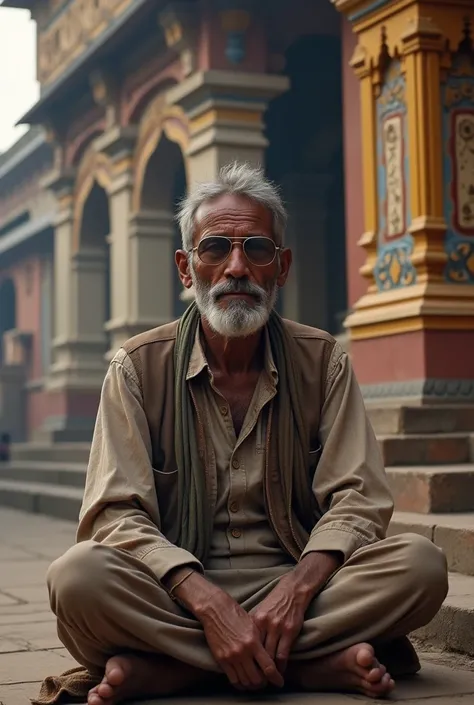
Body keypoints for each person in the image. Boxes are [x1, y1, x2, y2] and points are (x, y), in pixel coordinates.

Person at [35, 163, 448, 705]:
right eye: (214, 250)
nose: (236, 268)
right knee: (77, 578)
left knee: (421, 566)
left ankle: (177, 671)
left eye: (256, 249)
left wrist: (296, 592)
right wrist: (206, 603)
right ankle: (304, 666)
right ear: (186, 268)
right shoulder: (137, 367)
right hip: (176, 592)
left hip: (302, 584)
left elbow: (359, 500)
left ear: (282, 268)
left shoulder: (322, 360)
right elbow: (115, 514)